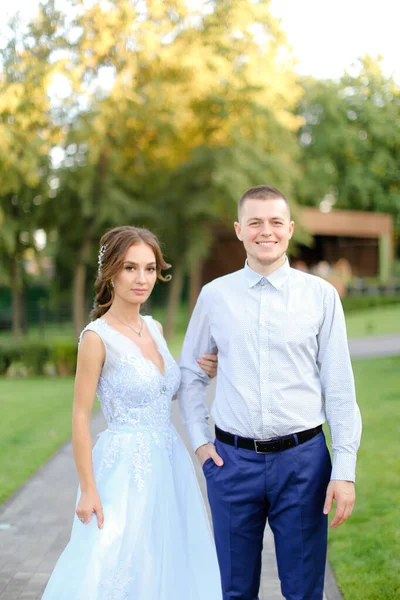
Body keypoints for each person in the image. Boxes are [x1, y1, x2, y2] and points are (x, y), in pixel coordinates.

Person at [179, 185, 362, 600]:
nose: (267, 231)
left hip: (303, 464)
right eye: (256, 222)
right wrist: (199, 441)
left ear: (290, 229)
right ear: (239, 229)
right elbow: (190, 373)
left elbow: (339, 387)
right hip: (230, 462)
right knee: (235, 590)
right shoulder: (215, 296)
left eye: (276, 222)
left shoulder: (320, 296)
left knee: (303, 590)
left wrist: (345, 470)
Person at [42, 226, 222, 600]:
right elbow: (79, 416)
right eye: (130, 268)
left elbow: (159, 391)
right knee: (114, 561)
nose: (142, 279)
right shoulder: (96, 337)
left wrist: (202, 371)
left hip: (170, 463)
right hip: (124, 469)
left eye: (150, 269)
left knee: (168, 558)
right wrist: (88, 489)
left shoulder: (153, 327)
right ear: (110, 272)